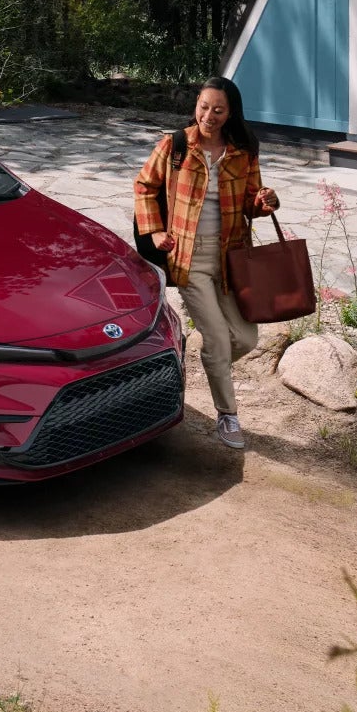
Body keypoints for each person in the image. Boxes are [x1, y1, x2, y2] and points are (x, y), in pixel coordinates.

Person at [132, 76, 279, 450]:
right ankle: (227, 416)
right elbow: (144, 187)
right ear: (195, 104)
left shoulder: (244, 150)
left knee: (246, 338)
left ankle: (198, 361)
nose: (208, 116)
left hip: (231, 258)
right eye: (203, 106)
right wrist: (154, 232)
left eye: (218, 110)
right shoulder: (176, 145)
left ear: (231, 114)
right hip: (190, 257)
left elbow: (251, 202)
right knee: (215, 338)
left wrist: (264, 203)